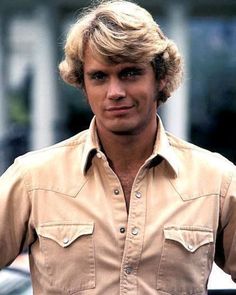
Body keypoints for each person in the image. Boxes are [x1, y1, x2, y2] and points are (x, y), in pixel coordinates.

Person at [0, 1, 236, 294]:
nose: (115, 92)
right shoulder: (32, 178)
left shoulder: (218, 181)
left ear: (160, 78)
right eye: (99, 77)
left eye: (130, 73)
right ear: (82, 84)